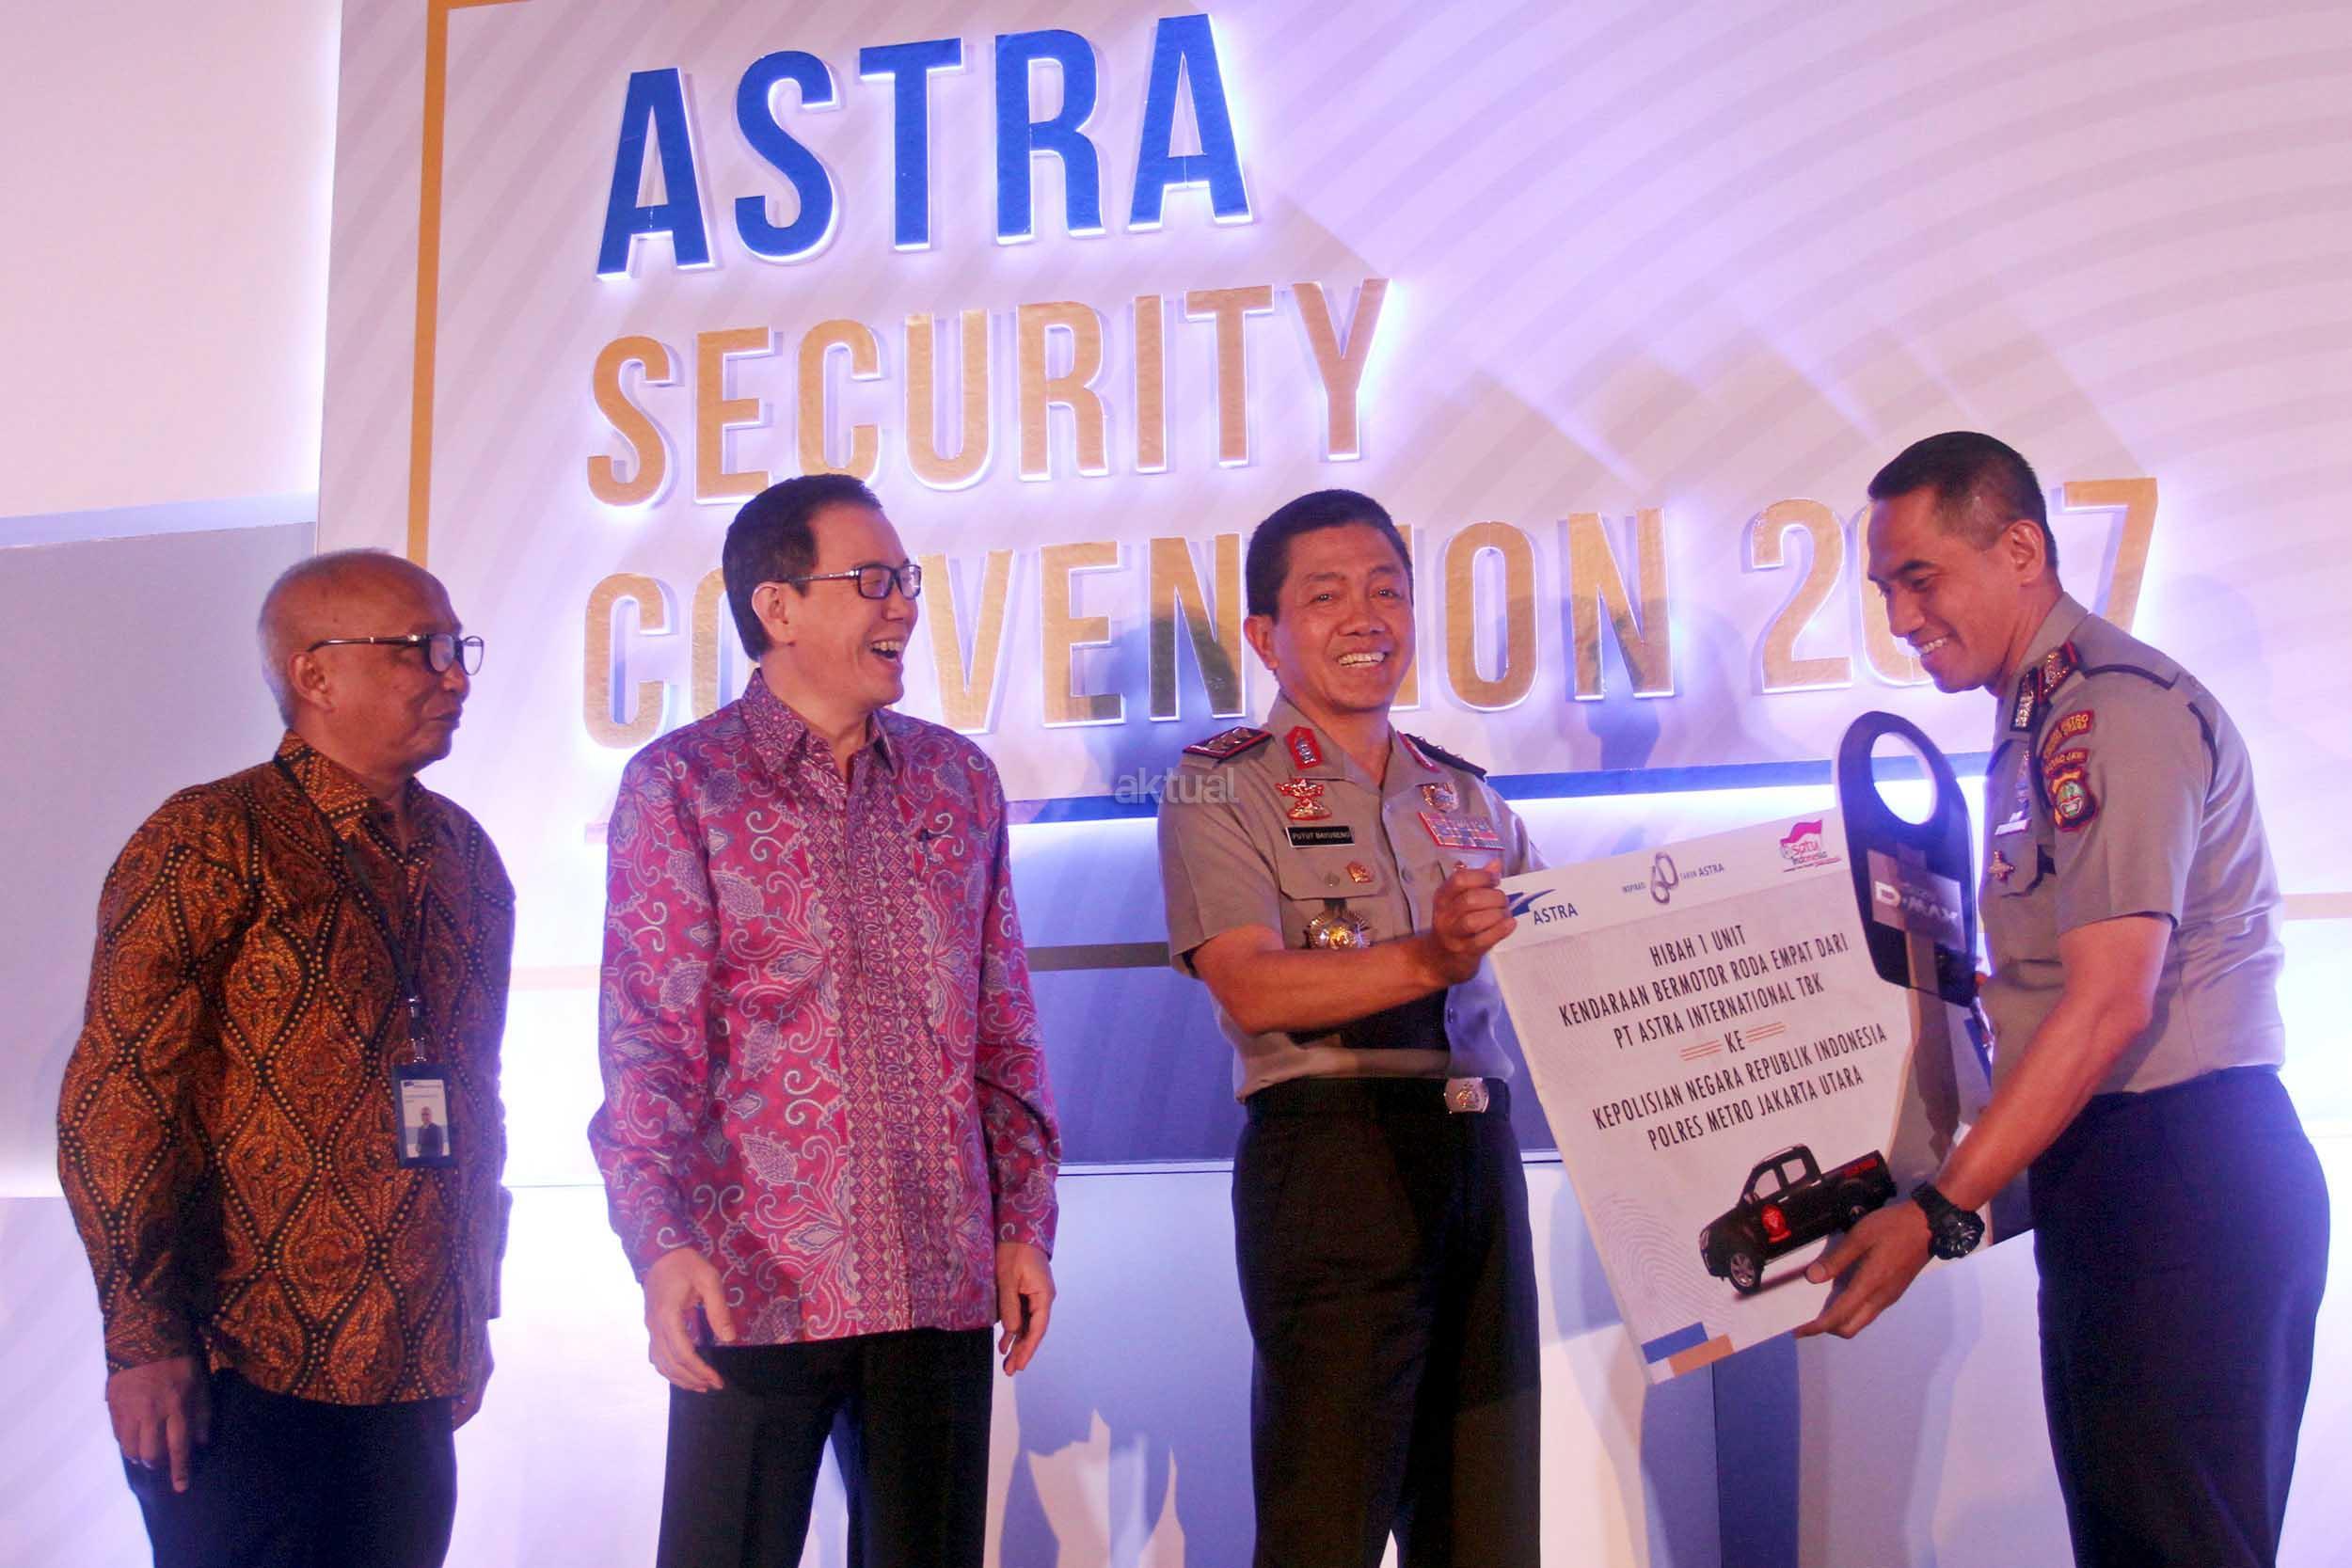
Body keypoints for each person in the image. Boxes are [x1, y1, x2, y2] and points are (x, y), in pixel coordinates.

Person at [1804, 431, 2329, 1566]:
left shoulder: (2110, 711)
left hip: (2182, 1174)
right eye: (1884, 589)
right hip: (2123, 1176)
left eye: (1920, 577)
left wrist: (1938, 1211)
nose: (1899, 617)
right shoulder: (2036, 719)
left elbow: (2107, 1006)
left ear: (2020, 550)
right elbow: (2049, 1000)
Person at [588, 473, 1061, 1568]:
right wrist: (659, 1239)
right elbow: (648, 1041)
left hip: (940, 1276)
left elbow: (1003, 1027)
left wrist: (1024, 1220)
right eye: (873, 580)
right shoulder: (683, 783)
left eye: (906, 580)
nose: (902, 605)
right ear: (779, 606)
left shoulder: (956, 778)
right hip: (755, 1279)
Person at [56, 549, 512, 1568]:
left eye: (457, 646)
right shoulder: (210, 837)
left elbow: (476, 1094)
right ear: (315, 674)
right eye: (422, 648)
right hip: (239, 1363)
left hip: (411, 1363)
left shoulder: (465, 855)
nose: (454, 674)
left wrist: (469, 1305)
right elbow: (119, 1095)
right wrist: (142, 1338)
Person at [1155, 489, 1544, 1568]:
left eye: (1387, 590)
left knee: (1487, 1523)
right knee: (1324, 1522)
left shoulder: (1467, 796)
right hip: (1333, 1159)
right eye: (1326, 595)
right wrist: (1429, 957)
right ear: (1265, 635)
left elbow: (1573, 962)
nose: (1366, 616)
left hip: (1478, 1154)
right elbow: (1251, 987)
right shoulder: (1219, 785)